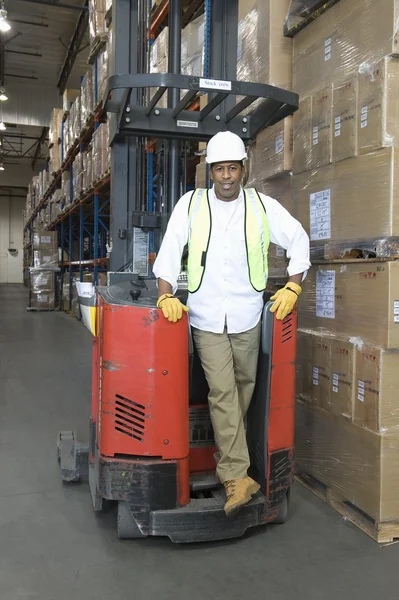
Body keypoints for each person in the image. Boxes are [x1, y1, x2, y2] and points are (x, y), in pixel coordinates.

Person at [152, 131, 310, 517]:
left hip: (247, 315)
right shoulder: (191, 204)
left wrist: (294, 284)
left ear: (244, 169)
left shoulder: (261, 205)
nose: (226, 176)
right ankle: (236, 476)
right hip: (206, 316)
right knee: (222, 392)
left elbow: (298, 237)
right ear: (210, 171)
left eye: (233, 168)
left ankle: (232, 454)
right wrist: (165, 293)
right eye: (219, 169)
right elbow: (171, 249)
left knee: (243, 391)